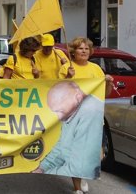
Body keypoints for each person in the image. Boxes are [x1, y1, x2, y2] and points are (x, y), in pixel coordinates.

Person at [57, 37, 114, 193]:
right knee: (77, 154)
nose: (83, 51)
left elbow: (105, 93)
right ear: (73, 51)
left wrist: (108, 82)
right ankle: (77, 188)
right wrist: (68, 77)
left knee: (99, 154)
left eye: (86, 49)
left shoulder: (96, 69)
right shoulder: (66, 68)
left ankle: (82, 173)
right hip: (73, 118)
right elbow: (59, 93)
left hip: (93, 118)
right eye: (80, 48)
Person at [32, 81, 104, 193]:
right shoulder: (72, 112)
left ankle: (79, 184)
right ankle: (79, 183)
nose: (58, 117)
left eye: (59, 111)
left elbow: (80, 165)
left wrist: (47, 172)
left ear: (78, 97)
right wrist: (42, 167)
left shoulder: (89, 111)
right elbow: (63, 145)